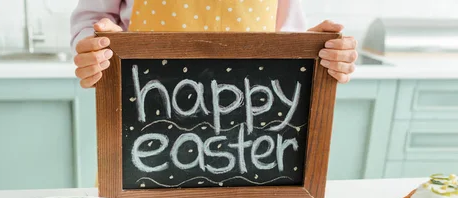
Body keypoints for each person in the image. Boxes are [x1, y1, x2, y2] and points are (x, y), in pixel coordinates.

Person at [70, 0, 358, 89]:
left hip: (249, 141)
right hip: (143, 121)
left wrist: (320, 52)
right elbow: (93, 19)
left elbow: (287, 37)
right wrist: (94, 47)